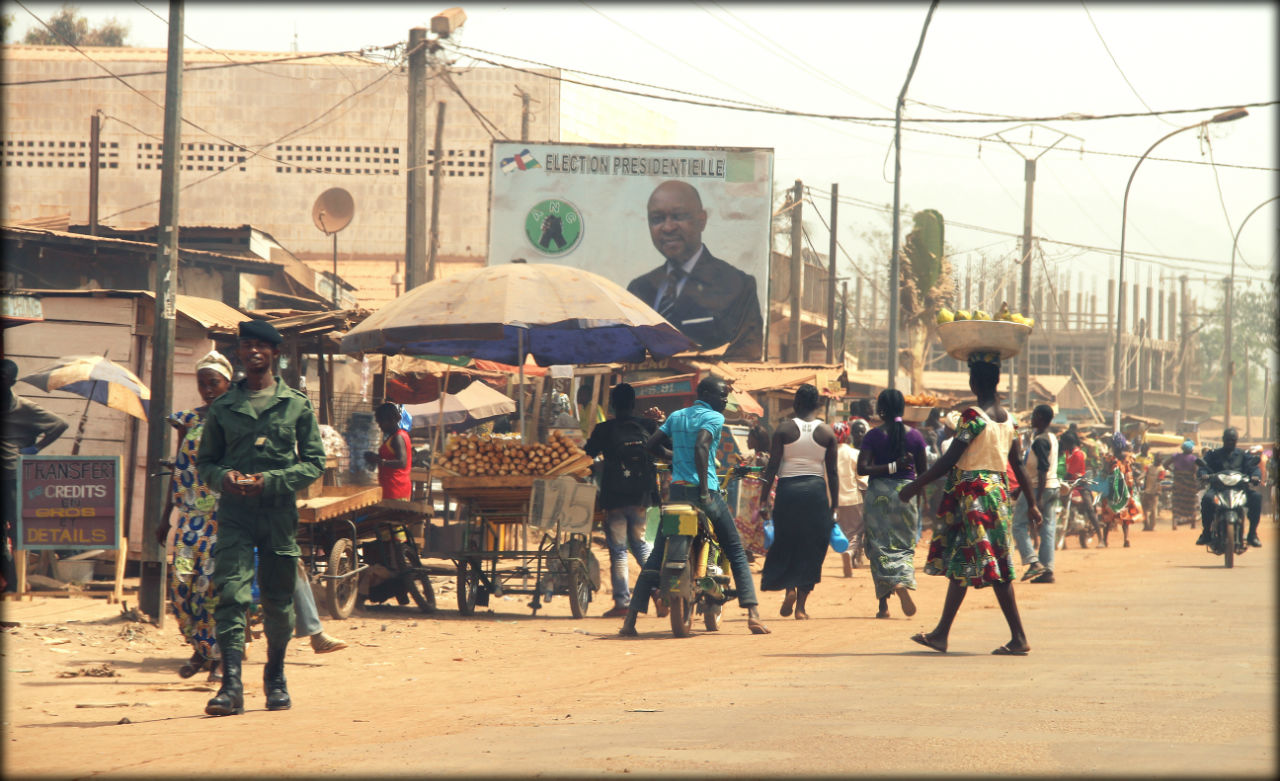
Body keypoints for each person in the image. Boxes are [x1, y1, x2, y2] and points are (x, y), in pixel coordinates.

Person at [196, 320, 326, 716]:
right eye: (246, 346)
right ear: (238, 354)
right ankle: (231, 684)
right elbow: (205, 463)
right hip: (235, 515)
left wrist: (271, 480)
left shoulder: (297, 405)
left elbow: (315, 464)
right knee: (231, 595)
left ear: (275, 354)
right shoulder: (222, 408)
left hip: (278, 516)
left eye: (261, 347)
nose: (253, 352)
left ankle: (275, 676)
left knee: (277, 600)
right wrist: (225, 478)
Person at [899, 352, 1040, 655]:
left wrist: (914, 485)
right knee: (964, 561)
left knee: (994, 564)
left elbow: (950, 459)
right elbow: (1016, 464)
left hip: (974, 495)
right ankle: (941, 634)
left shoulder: (973, 416)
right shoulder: (1008, 420)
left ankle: (1018, 637)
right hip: (997, 494)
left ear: (974, 382)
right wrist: (1032, 502)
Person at [619, 376, 769, 635]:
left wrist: (674, 456)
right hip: (705, 491)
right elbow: (701, 446)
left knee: (656, 556)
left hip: (676, 493)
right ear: (708, 395)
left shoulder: (677, 416)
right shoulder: (713, 418)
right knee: (734, 548)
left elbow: (652, 445)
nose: (724, 401)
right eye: (722, 396)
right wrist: (702, 491)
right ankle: (753, 615)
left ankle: (630, 621)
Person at [626, 180, 763, 360]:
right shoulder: (638, 290)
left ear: (702, 221)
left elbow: (745, 358)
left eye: (678, 216)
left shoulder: (738, 286)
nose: (668, 227)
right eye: (657, 219)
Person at [757, 384, 839, 619]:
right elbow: (832, 473)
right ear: (817, 406)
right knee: (812, 547)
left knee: (787, 540)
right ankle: (801, 607)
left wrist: (764, 500)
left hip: (788, 491)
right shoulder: (826, 432)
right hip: (815, 493)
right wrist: (834, 507)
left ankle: (789, 589)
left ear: (796, 404)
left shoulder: (783, 429)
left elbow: (772, 466)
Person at [583, 383, 656, 619]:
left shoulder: (603, 429)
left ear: (612, 405)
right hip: (642, 496)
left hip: (614, 496)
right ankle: (658, 590)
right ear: (634, 403)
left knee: (619, 550)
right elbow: (663, 451)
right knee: (641, 544)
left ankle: (622, 602)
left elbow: (587, 456)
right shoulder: (647, 426)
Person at [856, 389, 928, 619]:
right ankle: (902, 581)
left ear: (881, 409)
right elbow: (924, 473)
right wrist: (921, 497)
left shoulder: (873, 436)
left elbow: (862, 468)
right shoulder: (915, 436)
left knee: (879, 547)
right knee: (904, 545)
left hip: (878, 495)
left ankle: (883, 606)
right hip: (906, 493)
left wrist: (889, 468)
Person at [1, 359, 69, 593]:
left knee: (16, 529)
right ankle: (11, 581)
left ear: (11, 382)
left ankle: (18, 582)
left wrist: (36, 449)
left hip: (11, 476)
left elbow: (59, 425)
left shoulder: (25, 408)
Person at [1011, 405, 1060, 584]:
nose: (1031, 419)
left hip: (1038, 488)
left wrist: (1036, 499)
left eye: (1033, 416)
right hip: (1052, 487)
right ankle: (1047, 570)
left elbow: (1042, 470)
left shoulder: (1040, 440)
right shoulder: (1052, 437)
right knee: (1048, 527)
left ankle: (1032, 561)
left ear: (1039, 417)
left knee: (1018, 525)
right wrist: (1019, 488)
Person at [1196, 427, 1263, 548]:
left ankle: (1252, 534)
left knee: (1256, 498)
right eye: (1228, 440)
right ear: (1223, 440)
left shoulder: (1243, 455)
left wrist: (1255, 476)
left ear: (1236, 440)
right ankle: (1206, 532)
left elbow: (1253, 468)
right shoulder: (1214, 454)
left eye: (1232, 440)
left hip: (1240, 489)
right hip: (1218, 489)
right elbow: (1203, 467)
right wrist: (1203, 475)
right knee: (1206, 499)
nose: (1230, 442)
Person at [1097, 432, 1144, 548]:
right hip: (1124, 490)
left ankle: (1104, 540)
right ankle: (1126, 539)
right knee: (1125, 516)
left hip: (1111, 491)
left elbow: (1104, 474)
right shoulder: (1127, 458)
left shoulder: (1109, 459)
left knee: (1108, 517)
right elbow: (1129, 475)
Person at [832, 421, 867, 576]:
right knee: (856, 532)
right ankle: (850, 552)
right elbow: (863, 478)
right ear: (847, 436)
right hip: (853, 498)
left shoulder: (827, 454)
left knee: (841, 531)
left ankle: (845, 552)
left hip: (833, 500)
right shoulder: (854, 454)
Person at [364, 402, 412, 501]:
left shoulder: (398, 437)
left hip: (395, 489)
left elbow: (402, 462)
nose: (380, 426)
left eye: (381, 422)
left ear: (390, 420)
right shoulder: (395, 436)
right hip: (391, 487)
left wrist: (379, 461)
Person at [1061, 432, 1101, 534]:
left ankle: (1100, 537)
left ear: (1068, 443)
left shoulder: (1078, 454)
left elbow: (1071, 473)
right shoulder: (1067, 453)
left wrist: (1062, 480)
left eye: (1063, 443)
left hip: (1081, 484)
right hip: (1070, 483)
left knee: (1089, 508)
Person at [1168, 439, 1200, 526]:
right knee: (1191, 501)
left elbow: (1165, 464)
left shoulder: (1175, 456)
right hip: (1189, 483)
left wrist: (1173, 471)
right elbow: (1196, 470)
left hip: (1178, 482)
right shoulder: (1193, 458)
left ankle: (1175, 519)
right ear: (1191, 449)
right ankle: (1192, 519)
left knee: (1177, 501)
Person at [1138, 443, 1164, 530]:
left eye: (1159, 459)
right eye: (1157, 458)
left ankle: (1151, 526)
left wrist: (1157, 490)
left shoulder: (1161, 470)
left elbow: (1159, 482)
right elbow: (1144, 474)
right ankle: (1146, 524)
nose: (1157, 460)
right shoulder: (1149, 467)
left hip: (1154, 491)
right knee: (1145, 508)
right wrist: (1138, 479)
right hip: (1147, 490)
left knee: (1152, 509)